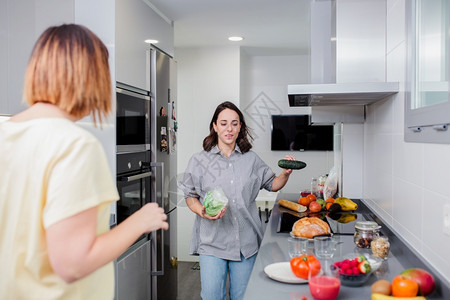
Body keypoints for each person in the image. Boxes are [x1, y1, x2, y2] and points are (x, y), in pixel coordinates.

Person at [0, 24, 168, 299]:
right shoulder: (74, 145)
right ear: (91, 78)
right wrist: (139, 221)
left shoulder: (5, 133)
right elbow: (71, 263)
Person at [179, 101, 295, 300]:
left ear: (240, 126)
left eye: (234, 123)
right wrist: (202, 211)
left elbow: (272, 184)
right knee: (212, 296)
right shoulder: (199, 160)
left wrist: (285, 174)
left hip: (246, 242)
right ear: (214, 126)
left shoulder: (251, 159)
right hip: (212, 242)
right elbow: (190, 196)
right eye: (223, 123)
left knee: (243, 296)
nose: (229, 129)